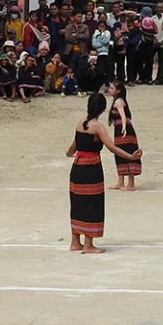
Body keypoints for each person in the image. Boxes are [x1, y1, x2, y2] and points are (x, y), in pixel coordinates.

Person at [66, 93, 142, 254]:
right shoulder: (98, 128)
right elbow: (112, 148)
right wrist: (131, 157)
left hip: (77, 167)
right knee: (92, 203)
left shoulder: (80, 124)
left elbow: (72, 148)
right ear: (101, 109)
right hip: (91, 168)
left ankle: (75, 242)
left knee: (78, 202)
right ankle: (88, 244)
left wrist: (69, 153)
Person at [107, 80, 141, 191]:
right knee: (120, 153)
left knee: (127, 152)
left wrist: (124, 127)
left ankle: (131, 184)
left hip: (124, 131)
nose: (109, 90)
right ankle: (120, 182)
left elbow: (123, 115)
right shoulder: (117, 101)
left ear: (119, 90)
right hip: (120, 130)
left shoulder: (119, 101)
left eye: (112, 88)